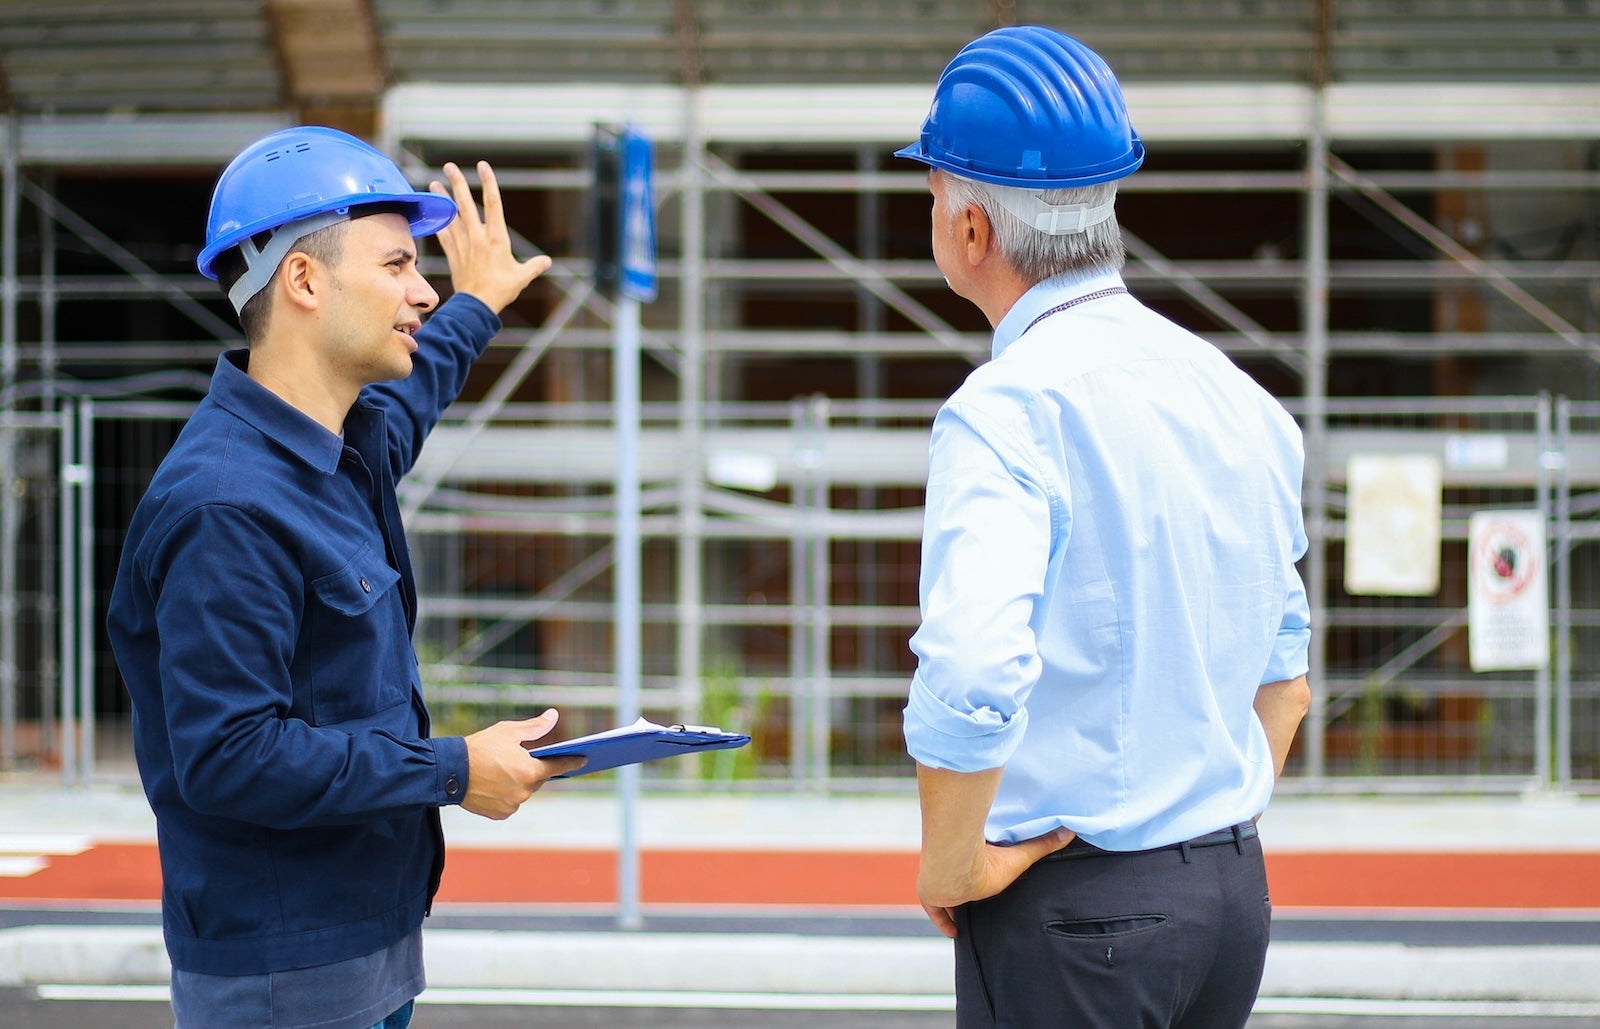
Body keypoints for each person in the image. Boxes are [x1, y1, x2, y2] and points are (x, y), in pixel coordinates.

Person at [106, 125, 585, 1029]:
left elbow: (412, 393)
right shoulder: (226, 506)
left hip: (363, 951)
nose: (423, 290)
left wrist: (478, 304)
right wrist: (454, 769)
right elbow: (230, 755)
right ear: (304, 281)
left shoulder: (340, 448)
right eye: (400, 264)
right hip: (286, 980)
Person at [897, 26, 1313, 1029]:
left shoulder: (1005, 411)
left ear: (969, 231)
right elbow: (1286, 678)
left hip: (1074, 908)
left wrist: (952, 865)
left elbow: (972, 674)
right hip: (1227, 900)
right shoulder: (1238, 396)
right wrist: (1204, 827)